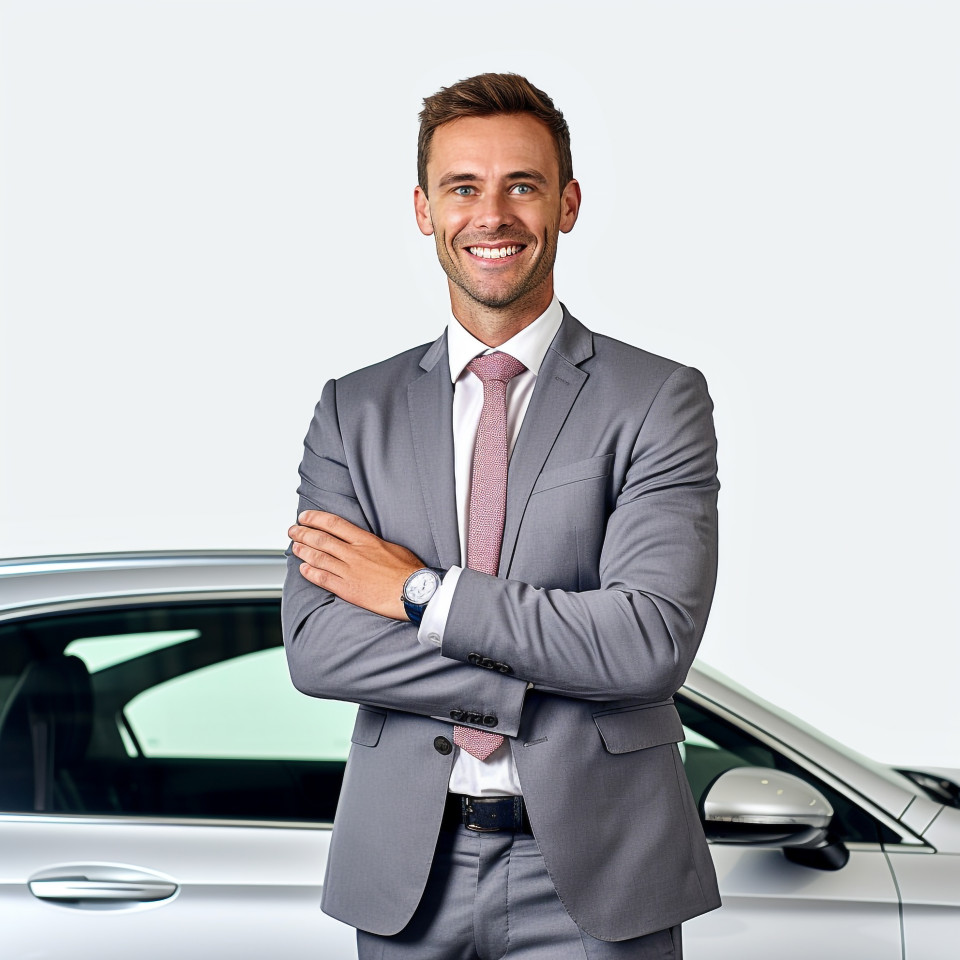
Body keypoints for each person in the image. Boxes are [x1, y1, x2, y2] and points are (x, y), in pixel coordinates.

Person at [283, 72, 720, 960]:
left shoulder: (657, 400)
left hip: (602, 875)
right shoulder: (351, 411)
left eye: (522, 185)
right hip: (408, 869)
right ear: (422, 209)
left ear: (568, 203)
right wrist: (539, 673)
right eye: (463, 188)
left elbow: (647, 643)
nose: (494, 215)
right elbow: (317, 646)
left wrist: (411, 590)